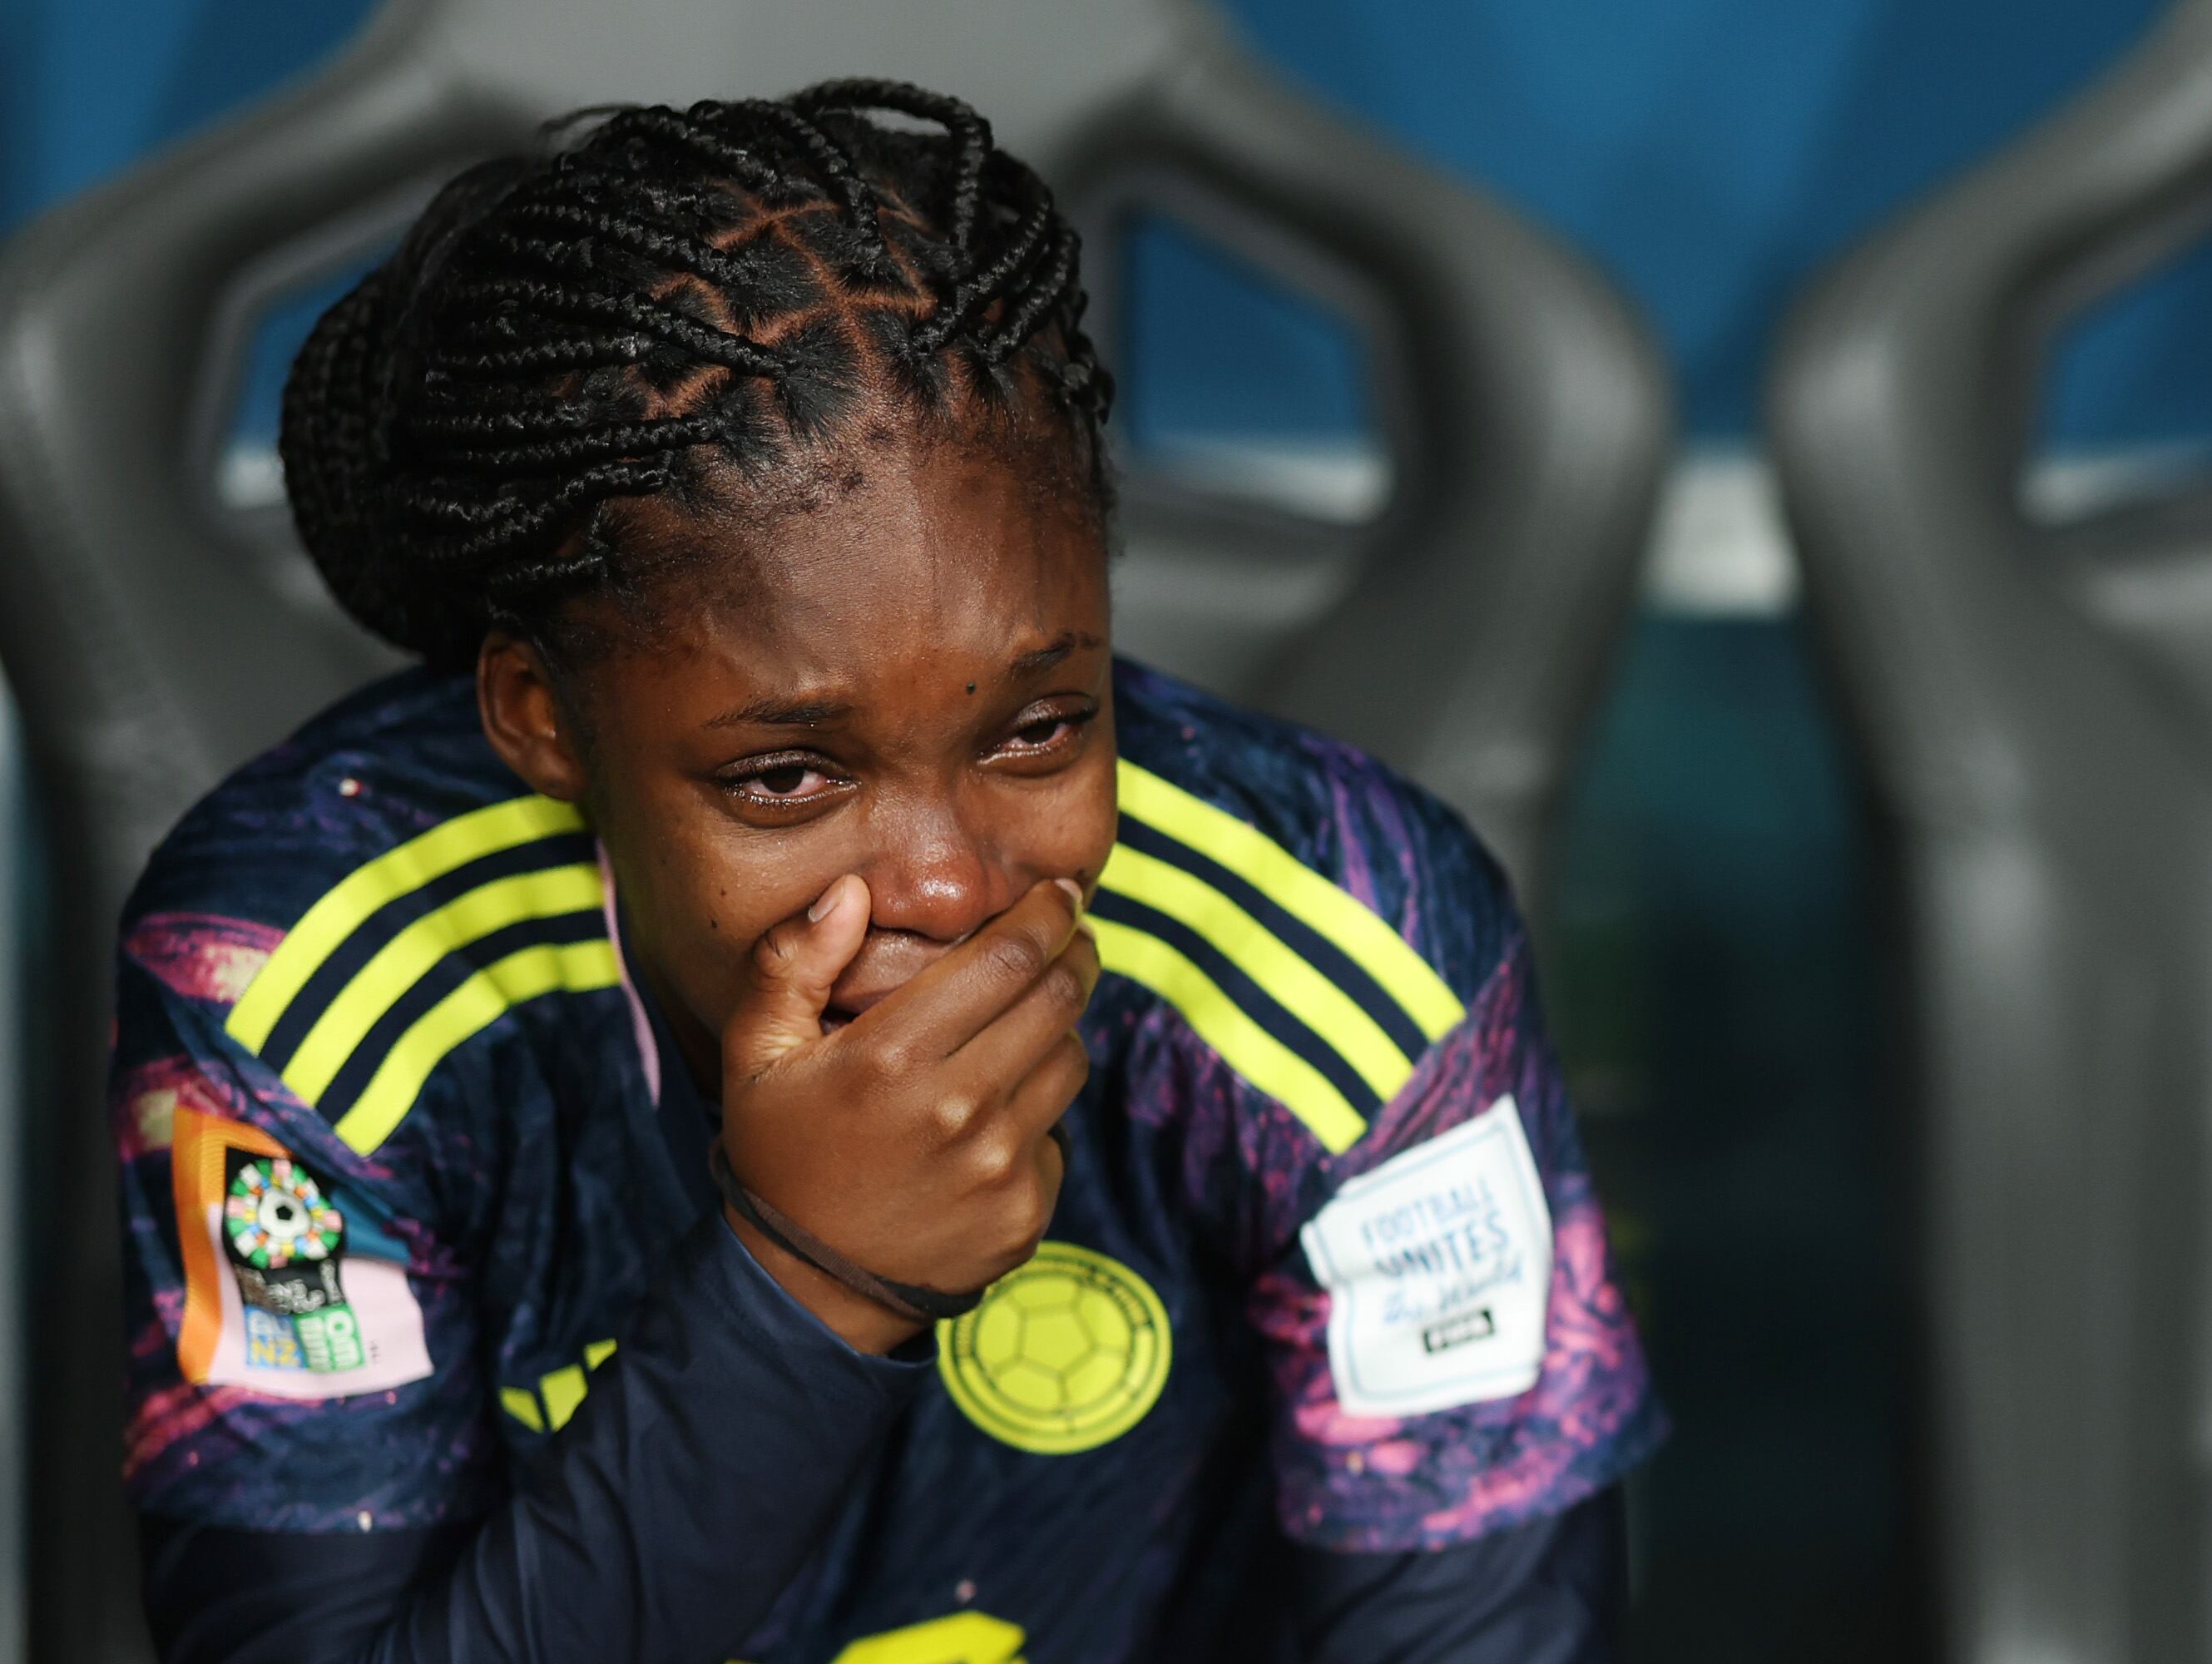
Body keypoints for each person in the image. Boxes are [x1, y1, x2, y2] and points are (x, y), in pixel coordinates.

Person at [111, 81, 1663, 1664]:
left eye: (1041, 729)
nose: (946, 886)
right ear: (542, 720)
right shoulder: (295, 972)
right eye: (788, 774)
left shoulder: (1346, 940)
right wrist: (808, 1283)